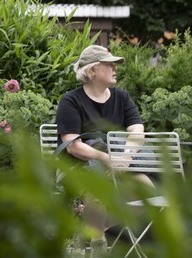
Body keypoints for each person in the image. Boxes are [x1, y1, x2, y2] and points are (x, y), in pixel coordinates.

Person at [56, 44, 147, 257]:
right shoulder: (70, 101)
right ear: (93, 70)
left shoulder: (121, 97)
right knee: (97, 184)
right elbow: (73, 146)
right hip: (78, 167)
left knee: (147, 192)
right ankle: (97, 246)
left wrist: (126, 156)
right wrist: (107, 158)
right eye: (109, 65)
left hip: (118, 163)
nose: (115, 68)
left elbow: (137, 129)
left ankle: (92, 230)